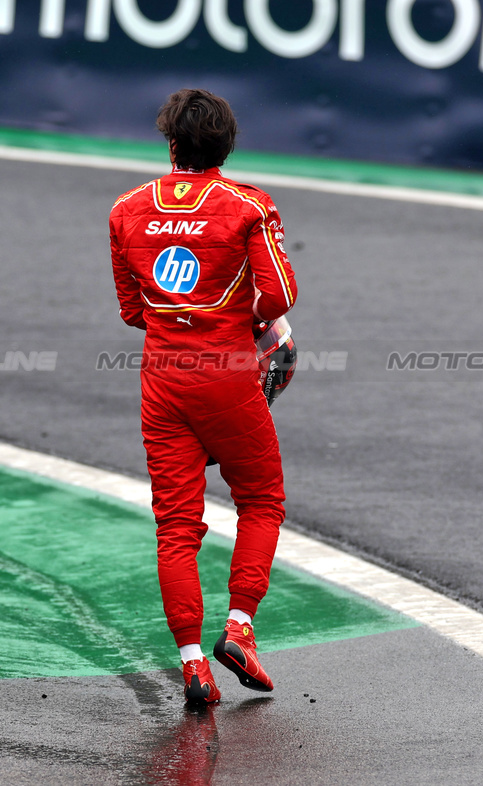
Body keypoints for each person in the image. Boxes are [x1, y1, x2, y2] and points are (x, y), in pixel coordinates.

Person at [107, 88, 297, 705]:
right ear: (227, 145)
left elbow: (134, 311)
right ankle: (239, 627)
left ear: (170, 145)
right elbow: (279, 296)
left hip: (162, 382)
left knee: (176, 527)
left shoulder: (126, 210)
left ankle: (193, 666)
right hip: (228, 378)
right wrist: (249, 326)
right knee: (262, 499)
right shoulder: (249, 206)